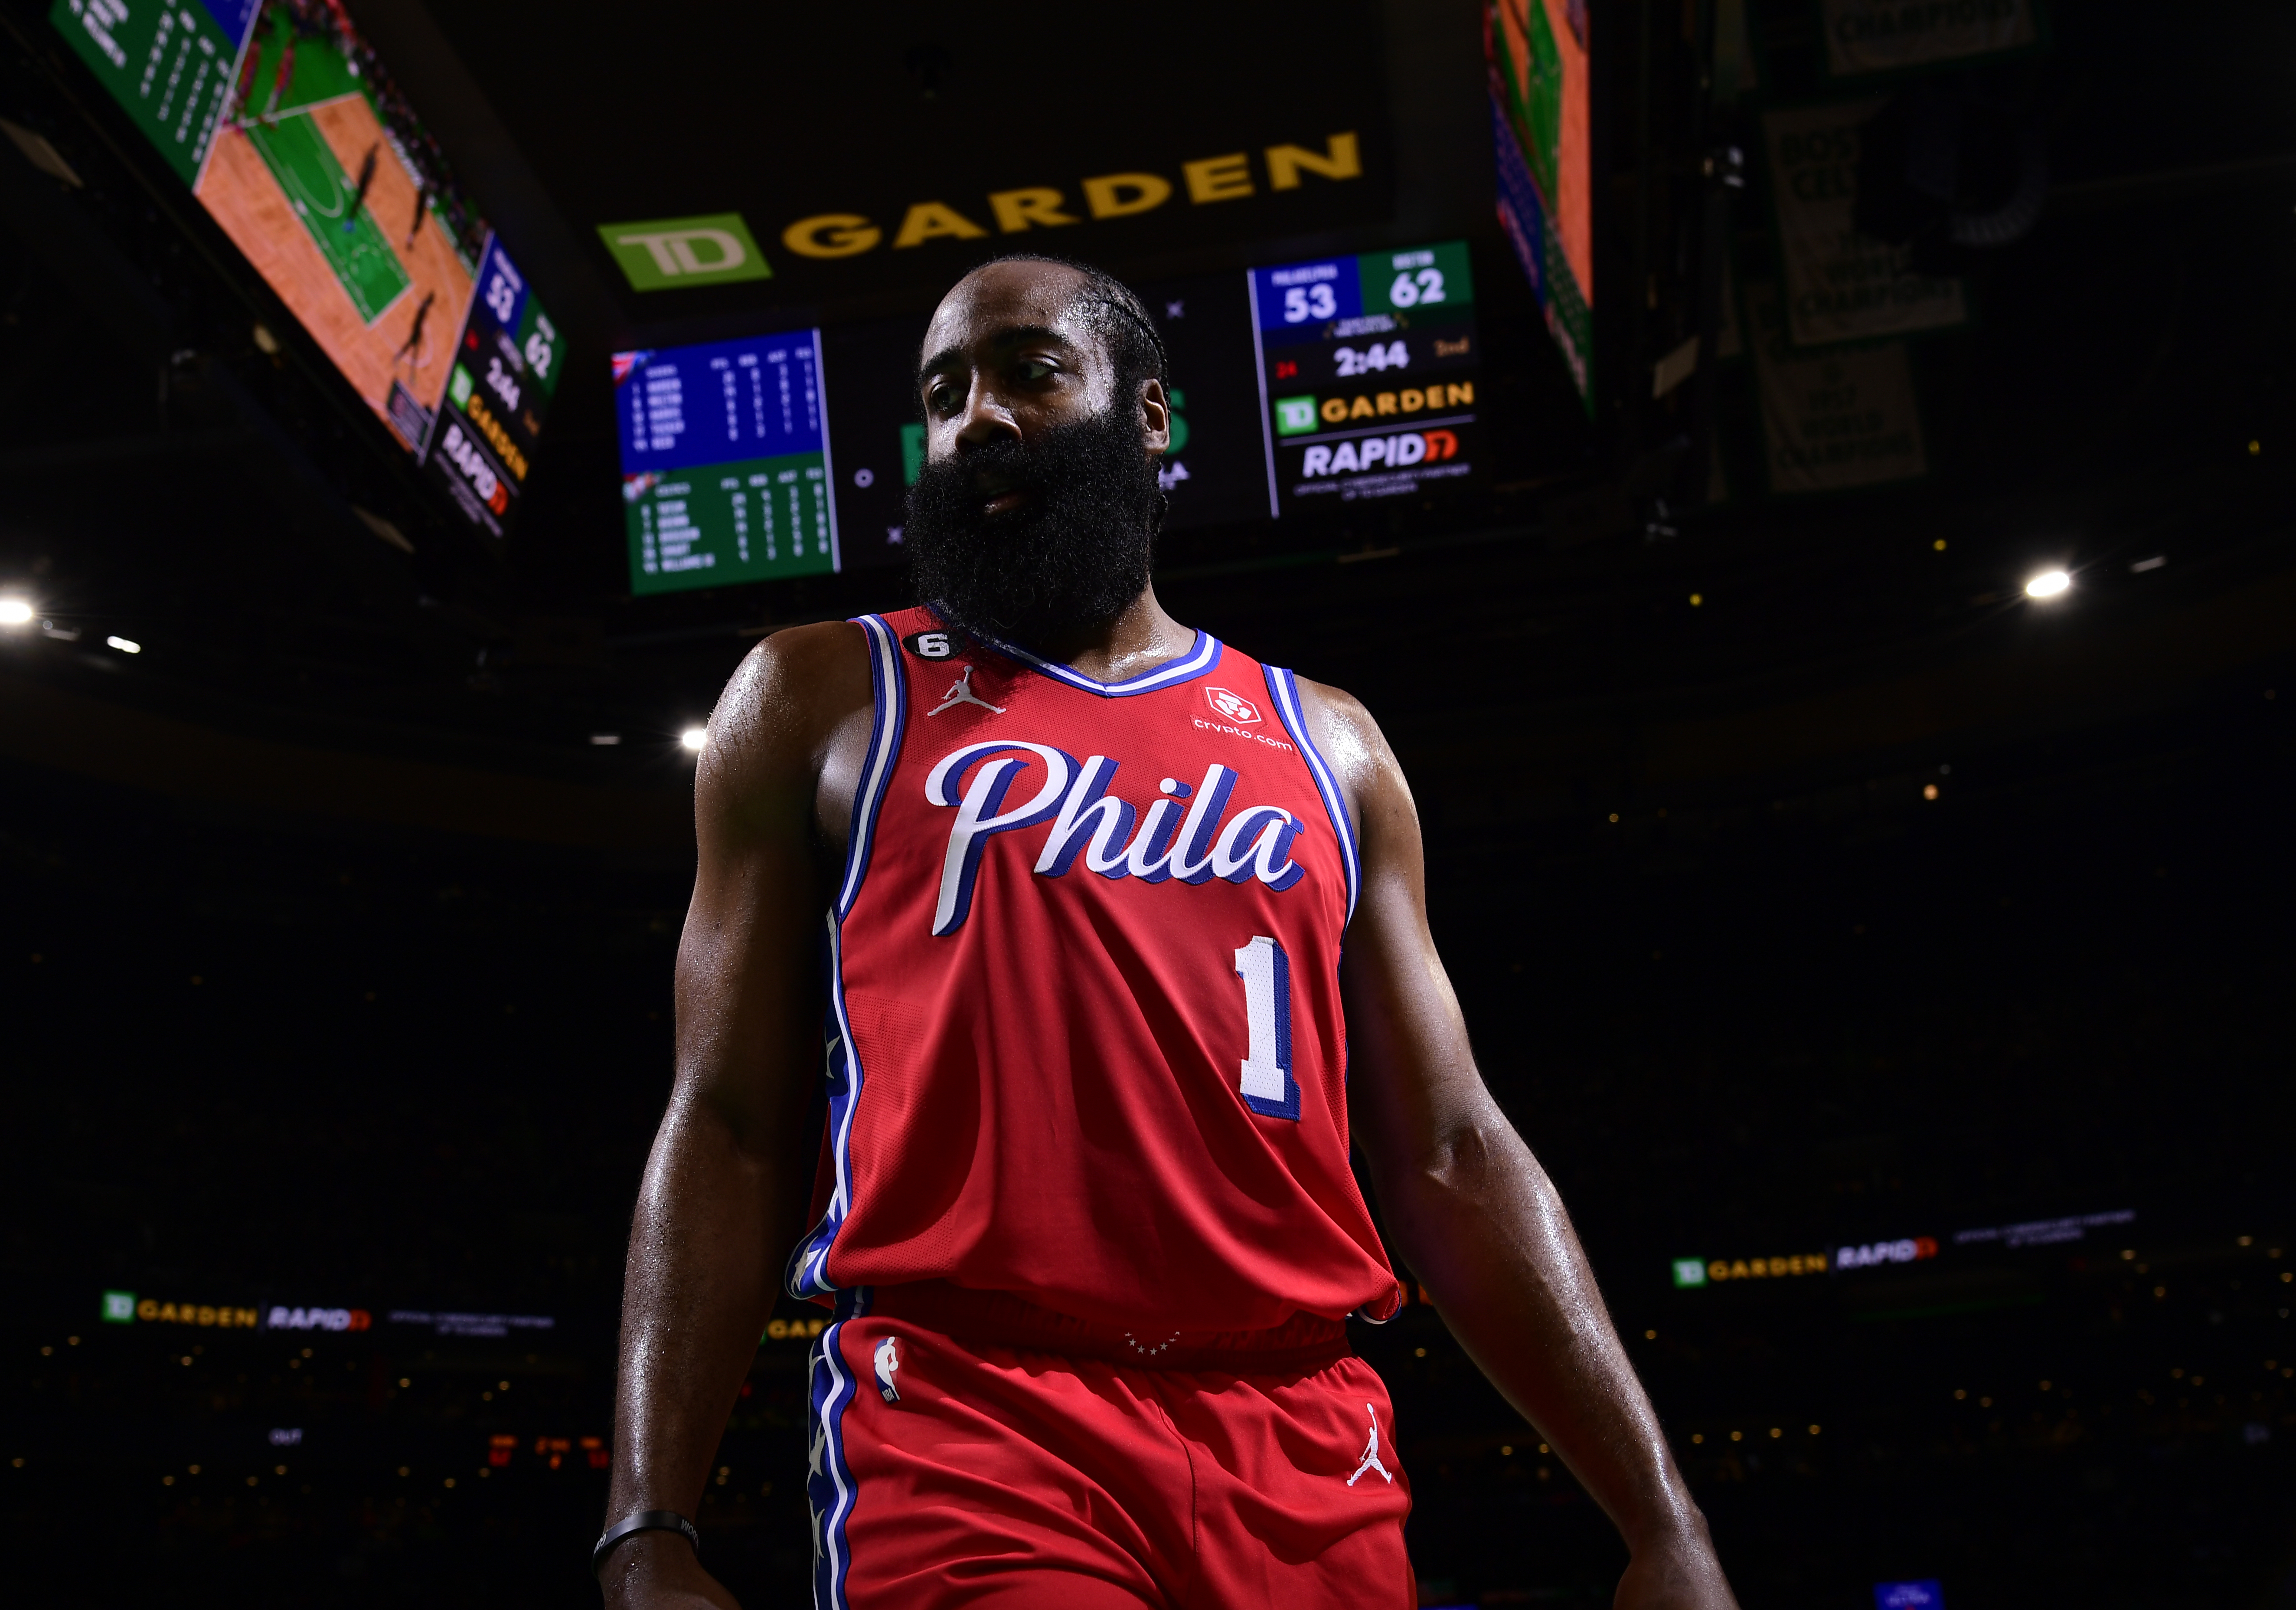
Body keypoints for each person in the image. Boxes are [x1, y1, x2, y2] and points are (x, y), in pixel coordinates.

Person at [596, 255, 1739, 1610]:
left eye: (1029, 371)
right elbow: (726, 1120)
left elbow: (1448, 1147)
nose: (976, 421)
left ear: (1148, 415)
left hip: (1305, 1427)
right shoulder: (823, 695)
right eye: (943, 393)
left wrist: (1662, 1521)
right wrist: (647, 1520)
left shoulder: (1331, 744)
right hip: (978, 1421)